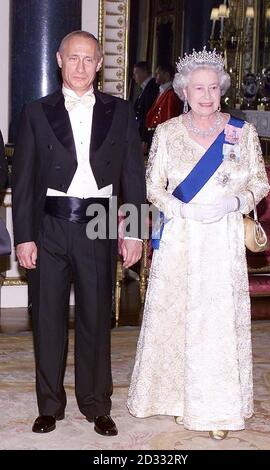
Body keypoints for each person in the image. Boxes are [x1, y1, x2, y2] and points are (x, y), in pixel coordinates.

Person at [127, 47, 270, 439]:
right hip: (183, 234)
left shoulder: (242, 133)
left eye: (213, 88)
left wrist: (232, 202)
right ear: (184, 92)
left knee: (214, 320)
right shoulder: (169, 133)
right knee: (179, 316)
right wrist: (181, 209)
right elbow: (151, 185)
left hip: (222, 238)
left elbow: (260, 184)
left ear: (221, 89)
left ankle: (216, 409)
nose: (206, 96)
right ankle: (175, 398)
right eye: (198, 89)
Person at [12, 30, 146, 436]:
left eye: (89, 59)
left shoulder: (121, 112)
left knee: (95, 318)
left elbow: (133, 178)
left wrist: (135, 232)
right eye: (73, 58)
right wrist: (24, 236)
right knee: (48, 318)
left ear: (100, 63)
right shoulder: (36, 112)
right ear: (58, 59)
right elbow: (24, 181)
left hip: (102, 220)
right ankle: (49, 406)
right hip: (50, 222)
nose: (81, 67)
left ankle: (96, 404)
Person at [145, 63, 183, 149]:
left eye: (158, 74)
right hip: (155, 133)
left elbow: (170, 117)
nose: (155, 76)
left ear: (166, 75)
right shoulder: (161, 90)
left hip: (164, 135)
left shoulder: (172, 94)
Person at [133, 61, 159, 155]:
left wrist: (144, 138)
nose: (134, 76)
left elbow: (147, 114)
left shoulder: (152, 87)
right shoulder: (145, 88)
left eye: (136, 73)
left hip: (147, 135)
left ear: (144, 72)